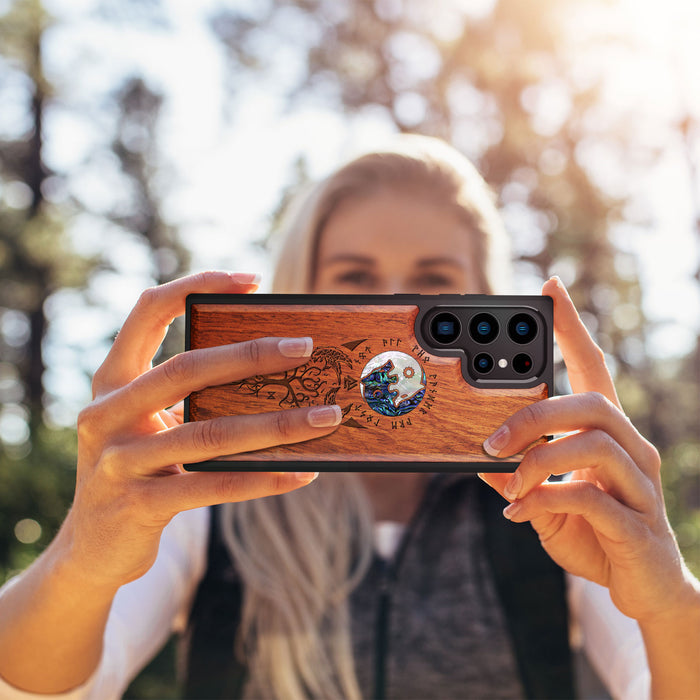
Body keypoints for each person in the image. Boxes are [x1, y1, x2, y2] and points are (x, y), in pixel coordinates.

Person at [0, 135, 698, 700]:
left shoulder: (552, 498)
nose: (393, 304)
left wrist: (669, 603)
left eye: (433, 281)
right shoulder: (207, 494)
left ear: (486, 301)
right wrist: (81, 559)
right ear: (301, 293)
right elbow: (43, 687)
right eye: (355, 278)